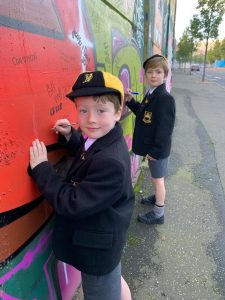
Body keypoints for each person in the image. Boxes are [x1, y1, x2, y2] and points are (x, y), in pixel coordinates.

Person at [28, 71, 134, 300]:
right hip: (105, 242)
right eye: (83, 110)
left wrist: (42, 169)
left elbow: (72, 203)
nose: (91, 119)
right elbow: (88, 155)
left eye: (100, 111)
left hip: (97, 253)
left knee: (100, 293)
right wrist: (71, 137)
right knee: (112, 281)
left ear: (118, 112)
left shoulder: (111, 162)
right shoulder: (104, 138)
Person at [124, 54, 175, 225]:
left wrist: (155, 151)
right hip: (155, 148)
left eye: (158, 72)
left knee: (158, 180)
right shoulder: (152, 93)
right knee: (157, 177)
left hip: (157, 150)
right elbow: (143, 113)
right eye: (150, 72)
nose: (153, 75)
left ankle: (159, 213)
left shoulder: (164, 99)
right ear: (145, 75)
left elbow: (165, 130)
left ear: (165, 75)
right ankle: (157, 197)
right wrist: (130, 101)